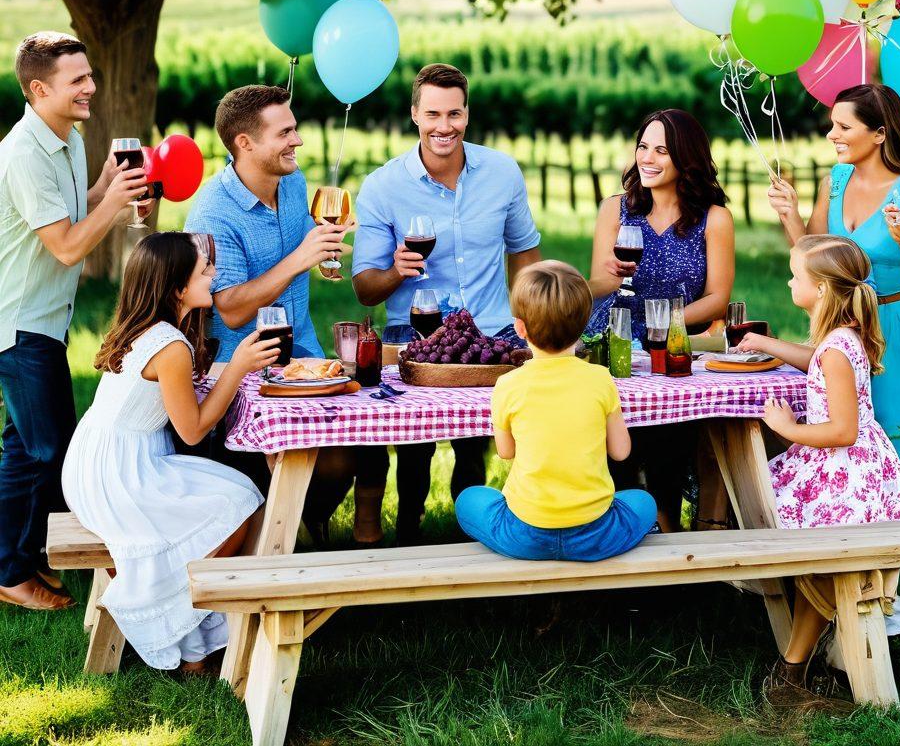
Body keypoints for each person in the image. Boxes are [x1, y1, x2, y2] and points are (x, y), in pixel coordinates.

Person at [764, 84, 900, 629]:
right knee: (859, 455)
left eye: (844, 127)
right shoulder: (836, 179)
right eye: (832, 125)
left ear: (880, 133)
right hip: (849, 331)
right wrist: (790, 217)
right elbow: (817, 255)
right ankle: (869, 583)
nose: (833, 135)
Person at [62, 233, 273, 672]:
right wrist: (237, 367)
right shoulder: (171, 345)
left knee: (234, 492)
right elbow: (193, 431)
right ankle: (167, 613)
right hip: (120, 473)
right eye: (204, 271)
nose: (214, 275)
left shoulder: (153, 330)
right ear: (178, 288)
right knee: (241, 501)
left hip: (97, 459)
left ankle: (197, 640)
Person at [184, 85, 384, 546]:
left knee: (356, 435)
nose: (297, 141)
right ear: (245, 144)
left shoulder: (291, 181)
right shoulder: (214, 212)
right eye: (286, 132)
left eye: (295, 129)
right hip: (241, 366)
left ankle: (309, 520)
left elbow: (304, 237)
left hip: (304, 355)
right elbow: (231, 310)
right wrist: (301, 257)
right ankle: (282, 532)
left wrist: (327, 235)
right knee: (305, 460)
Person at [353, 64, 542, 545]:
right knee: (414, 451)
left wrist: (528, 317)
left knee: (474, 444)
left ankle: (472, 535)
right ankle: (410, 535)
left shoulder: (502, 172)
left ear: (467, 114)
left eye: (454, 113)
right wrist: (397, 270)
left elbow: (525, 252)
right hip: (415, 333)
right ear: (415, 114)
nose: (444, 125)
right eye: (433, 113)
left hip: (492, 333)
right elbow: (365, 288)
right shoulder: (382, 186)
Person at [0, 31, 153, 611]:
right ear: (40, 89)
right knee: (49, 449)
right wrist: (115, 204)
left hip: (45, 317)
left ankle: (22, 558)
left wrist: (105, 186)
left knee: (25, 447)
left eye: (90, 75)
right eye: (78, 80)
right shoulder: (23, 153)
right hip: (18, 324)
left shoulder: (65, 138)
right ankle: (16, 569)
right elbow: (66, 247)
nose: (92, 86)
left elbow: (71, 211)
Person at [743, 235, 900, 699]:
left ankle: (792, 670)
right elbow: (817, 360)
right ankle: (804, 658)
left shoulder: (838, 349)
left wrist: (788, 426)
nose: (787, 281)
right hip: (847, 468)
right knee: (811, 556)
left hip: (845, 474)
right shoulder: (840, 338)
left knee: (817, 558)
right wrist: (767, 342)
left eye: (795, 276)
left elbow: (842, 430)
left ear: (821, 290)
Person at [587, 109, 735, 534]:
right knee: (618, 450)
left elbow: (717, 298)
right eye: (643, 147)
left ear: (685, 159)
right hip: (613, 341)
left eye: (661, 150)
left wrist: (664, 324)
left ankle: (667, 530)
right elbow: (598, 283)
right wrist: (604, 277)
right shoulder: (616, 209)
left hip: (671, 348)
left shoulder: (714, 218)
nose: (647, 159)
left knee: (668, 448)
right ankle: (618, 527)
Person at [455, 261, 656, 561]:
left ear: (519, 327)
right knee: (643, 502)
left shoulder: (507, 384)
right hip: (596, 533)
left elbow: (506, 452)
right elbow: (621, 451)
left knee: (469, 499)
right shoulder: (600, 378)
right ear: (584, 322)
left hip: (526, 533)